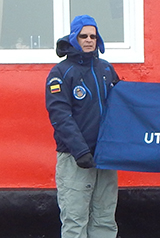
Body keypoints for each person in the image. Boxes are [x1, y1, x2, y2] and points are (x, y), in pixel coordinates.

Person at [45, 15, 121, 238]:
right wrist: (80, 151)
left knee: (105, 219)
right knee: (75, 220)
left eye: (93, 36)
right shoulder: (61, 73)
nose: (89, 40)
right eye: (83, 36)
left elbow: (122, 106)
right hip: (75, 158)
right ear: (74, 38)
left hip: (105, 157)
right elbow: (60, 116)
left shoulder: (106, 69)